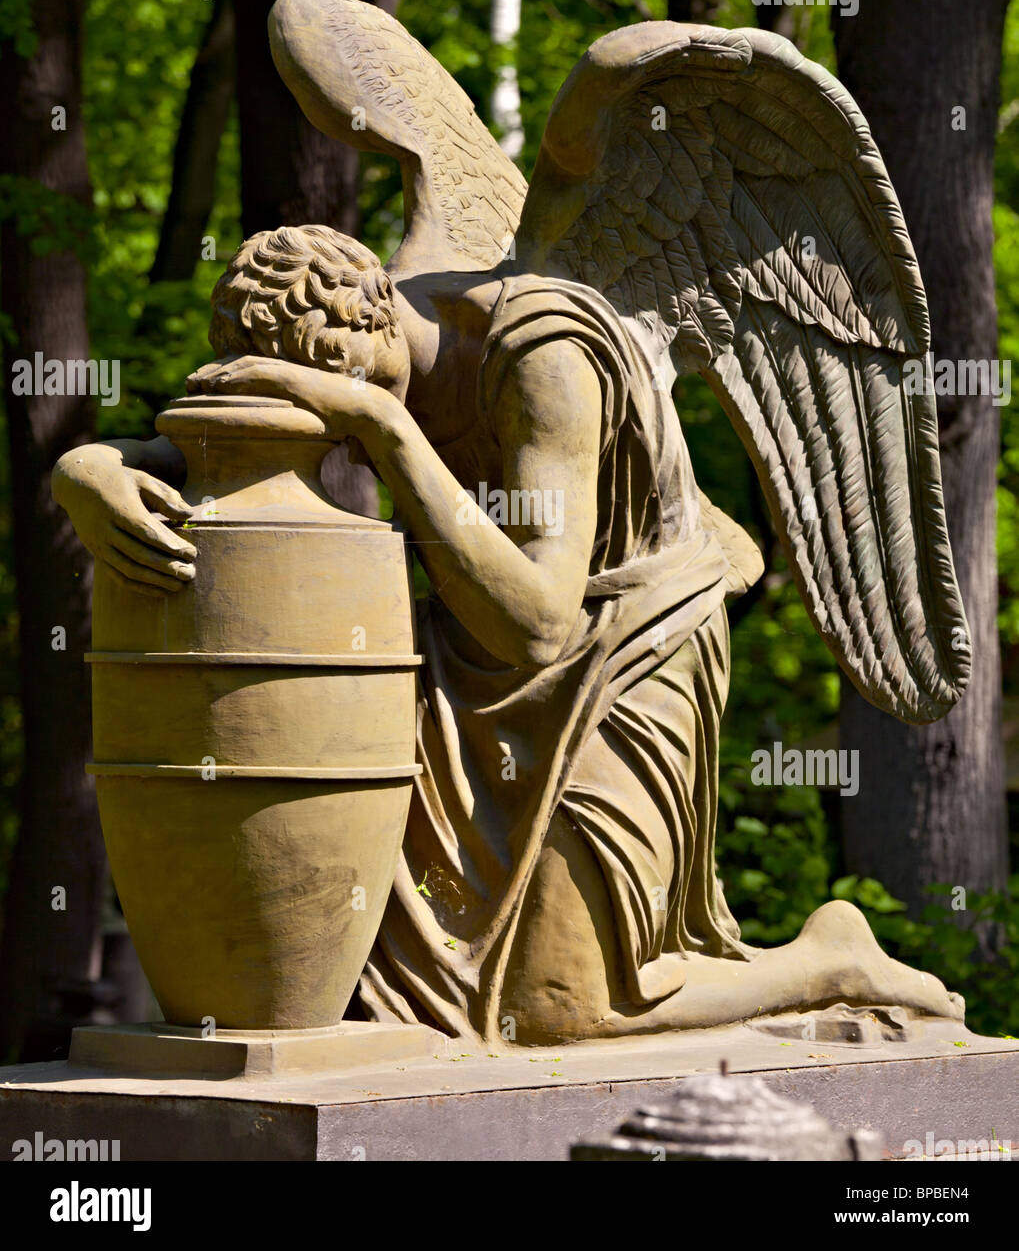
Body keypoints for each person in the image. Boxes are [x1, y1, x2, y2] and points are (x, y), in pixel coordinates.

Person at [54, 224, 963, 1044]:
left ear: (374, 327)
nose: (339, 426)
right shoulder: (370, 350)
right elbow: (201, 459)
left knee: (563, 1008)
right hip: (466, 656)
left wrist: (380, 424)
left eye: (342, 394)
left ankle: (832, 958)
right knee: (395, 986)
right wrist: (87, 469)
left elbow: (538, 621)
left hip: (623, 655)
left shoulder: (540, 353)